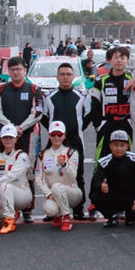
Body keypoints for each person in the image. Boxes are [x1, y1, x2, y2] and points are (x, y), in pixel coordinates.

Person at [43, 62, 92, 219]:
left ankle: (78, 209)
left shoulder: (82, 96)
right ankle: (54, 208)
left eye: (68, 74)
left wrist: (76, 129)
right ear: (57, 77)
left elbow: (88, 115)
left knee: (78, 175)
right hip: (55, 140)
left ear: (73, 77)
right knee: (51, 174)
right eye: (62, 74)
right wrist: (55, 134)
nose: (65, 77)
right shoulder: (49, 97)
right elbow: (44, 117)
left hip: (75, 140)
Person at [90, 130, 135, 228]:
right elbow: (96, 180)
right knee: (95, 196)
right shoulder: (104, 161)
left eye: (122, 145)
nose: (119, 148)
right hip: (112, 197)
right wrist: (101, 186)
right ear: (110, 146)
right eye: (116, 145)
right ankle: (112, 217)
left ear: (127, 146)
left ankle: (130, 216)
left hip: (131, 197)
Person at [0, 124, 32, 234]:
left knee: (5, 186)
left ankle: (9, 220)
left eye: (10, 137)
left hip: (22, 194)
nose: (8, 140)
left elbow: (12, 175)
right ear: (1, 139)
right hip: (4, 192)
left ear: (16, 139)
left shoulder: (22, 156)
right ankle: (13, 213)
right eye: (5, 137)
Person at [0, 56, 43, 162]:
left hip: (27, 134)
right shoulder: (1, 89)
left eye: (19, 69)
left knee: (28, 164)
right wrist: (11, 127)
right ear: (9, 71)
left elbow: (37, 113)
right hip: (6, 135)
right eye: (12, 69)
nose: (16, 72)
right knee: (5, 164)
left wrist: (22, 128)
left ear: (25, 70)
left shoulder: (34, 89)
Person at [90, 46, 135, 160]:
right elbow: (94, 105)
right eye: (116, 57)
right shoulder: (100, 81)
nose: (119, 60)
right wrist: (97, 125)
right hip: (106, 124)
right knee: (102, 159)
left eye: (122, 58)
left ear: (127, 61)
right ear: (110, 60)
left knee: (126, 159)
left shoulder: (132, 79)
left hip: (125, 123)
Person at [36, 121, 82, 231]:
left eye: (59, 134)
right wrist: (48, 194)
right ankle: (58, 215)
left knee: (57, 186)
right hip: (54, 194)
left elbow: (72, 178)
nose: (56, 137)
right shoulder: (43, 155)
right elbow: (39, 179)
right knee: (49, 209)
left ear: (64, 136)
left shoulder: (71, 152)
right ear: (49, 135)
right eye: (53, 134)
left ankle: (66, 217)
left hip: (72, 192)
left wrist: (64, 165)